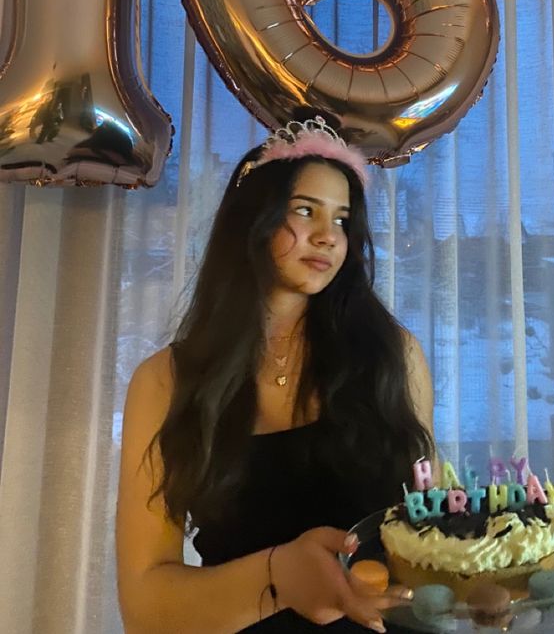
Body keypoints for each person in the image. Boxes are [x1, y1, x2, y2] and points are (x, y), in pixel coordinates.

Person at [116, 114, 434, 633]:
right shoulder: (164, 382)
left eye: (342, 220)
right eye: (306, 211)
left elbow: (433, 536)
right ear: (253, 220)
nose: (329, 237)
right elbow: (146, 609)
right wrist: (277, 576)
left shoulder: (394, 356)